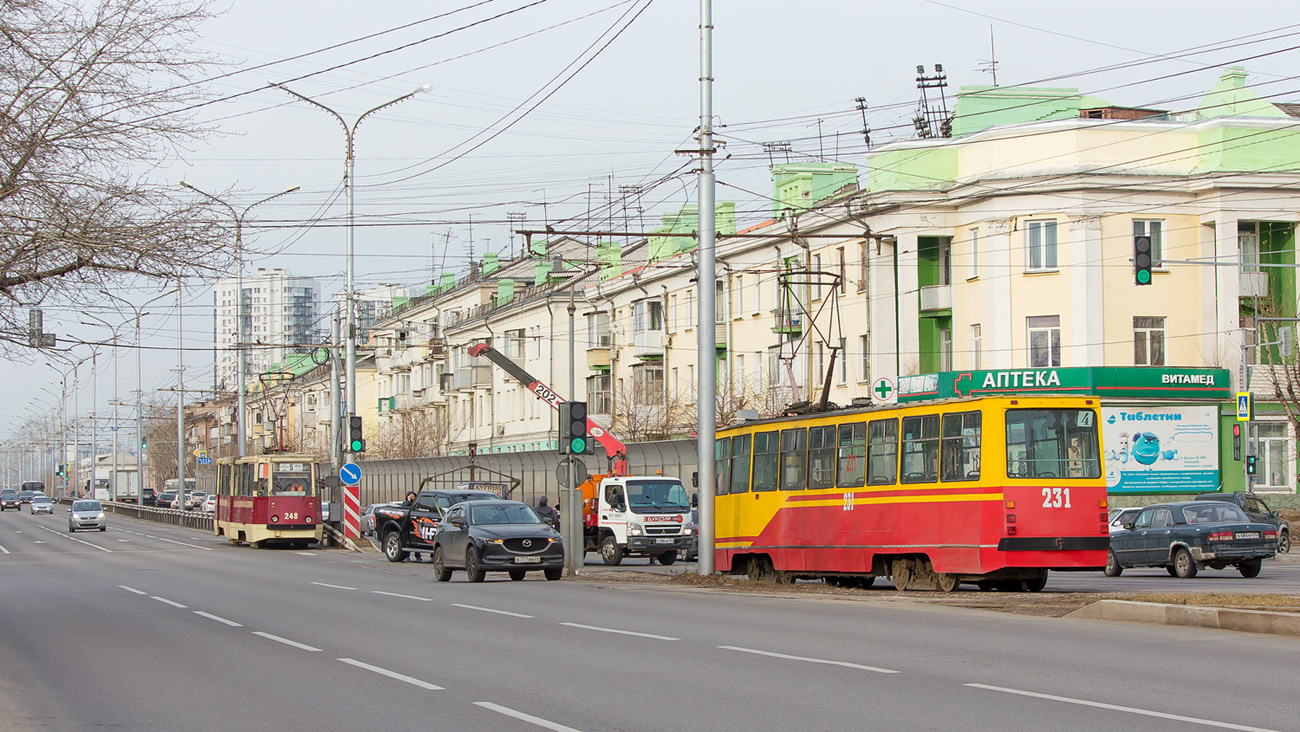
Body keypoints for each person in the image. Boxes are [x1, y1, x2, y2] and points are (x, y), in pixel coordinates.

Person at [404, 490, 422, 562]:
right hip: (407, 525)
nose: (412, 497)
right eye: (410, 495)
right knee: (407, 542)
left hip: (415, 524)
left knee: (416, 541)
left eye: (413, 495)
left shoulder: (416, 504)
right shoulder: (406, 504)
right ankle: (406, 556)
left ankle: (418, 556)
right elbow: (405, 507)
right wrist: (408, 501)